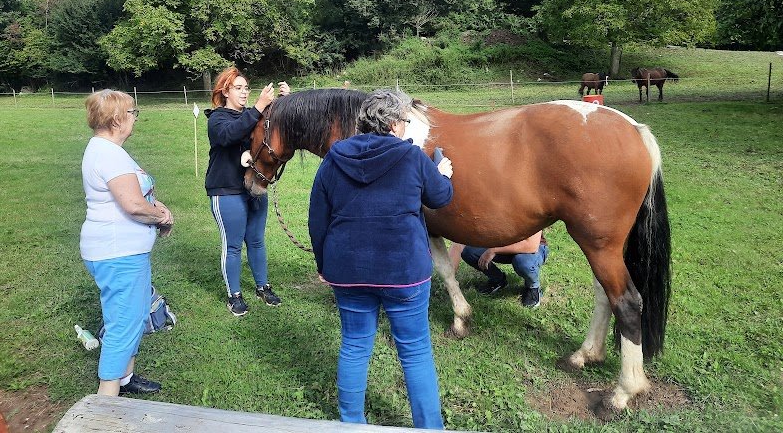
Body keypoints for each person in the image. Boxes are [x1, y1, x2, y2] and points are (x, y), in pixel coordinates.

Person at [308, 89, 454, 430]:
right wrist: (443, 172)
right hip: (403, 272)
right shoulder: (412, 157)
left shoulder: (334, 157)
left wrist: (322, 265)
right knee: (415, 350)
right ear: (392, 123)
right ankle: (429, 428)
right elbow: (441, 198)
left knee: (355, 346)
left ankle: (351, 424)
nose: (404, 127)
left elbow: (318, 219)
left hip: (347, 270)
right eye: (404, 120)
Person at [81, 90, 174, 396]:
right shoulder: (108, 153)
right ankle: (105, 403)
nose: (136, 118)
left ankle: (125, 378)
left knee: (133, 316)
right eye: (133, 113)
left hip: (123, 251)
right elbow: (133, 205)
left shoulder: (109, 151)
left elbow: (138, 195)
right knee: (123, 324)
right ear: (118, 119)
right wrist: (161, 217)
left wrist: (157, 209)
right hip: (117, 253)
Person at [205, 66, 289, 316]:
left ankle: (263, 287)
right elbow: (231, 135)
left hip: (254, 187)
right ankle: (234, 295)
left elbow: (268, 130)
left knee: (256, 240)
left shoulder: (252, 116)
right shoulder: (217, 118)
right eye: (238, 88)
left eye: (246, 88)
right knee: (232, 246)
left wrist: (284, 102)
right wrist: (258, 106)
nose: (243, 93)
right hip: (226, 190)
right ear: (225, 91)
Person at [460, 231, 549, 308]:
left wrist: (493, 250)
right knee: (470, 252)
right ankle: (498, 280)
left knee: (523, 263)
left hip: (531, 249)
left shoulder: (530, 211)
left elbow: (531, 246)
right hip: (503, 245)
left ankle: (533, 287)